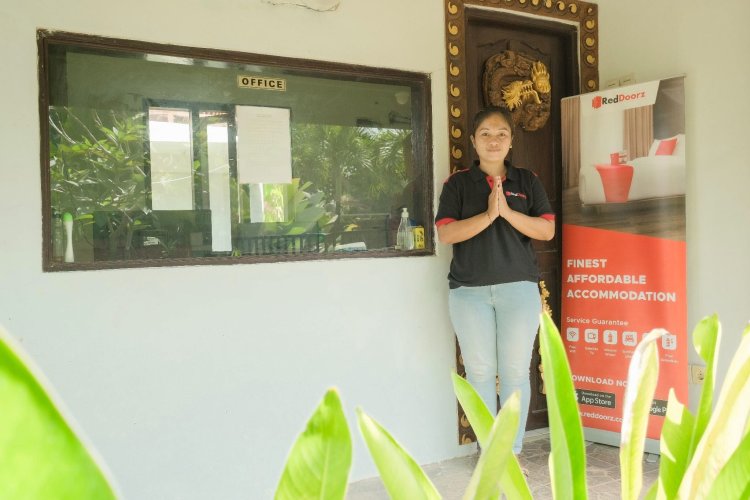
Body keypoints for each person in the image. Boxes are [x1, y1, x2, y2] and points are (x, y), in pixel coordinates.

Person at [435, 107, 555, 455]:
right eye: (485, 133)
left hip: (518, 291)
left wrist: (507, 212)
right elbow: (447, 234)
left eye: (501, 133)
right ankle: (489, 452)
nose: (494, 140)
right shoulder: (457, 184)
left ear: (511, 141)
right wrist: (489, 214)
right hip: (468, 293)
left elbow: (546, 230)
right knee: (480, 373)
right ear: (473, 141)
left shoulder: (527, 181)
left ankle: (510, 453)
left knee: (515, 372)